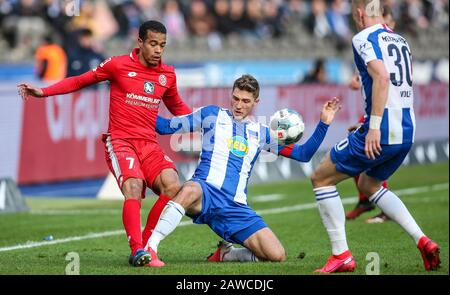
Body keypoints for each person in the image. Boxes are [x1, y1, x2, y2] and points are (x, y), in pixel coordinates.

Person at [17, 21, 192, 267]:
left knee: (172, 185)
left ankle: (148, 246)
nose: (158, 50)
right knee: (133, 185)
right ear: (140, 42)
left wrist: (206, 120)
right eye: (153, 44)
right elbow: (79, 81)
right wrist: (44, 92)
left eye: (162, 45)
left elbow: (179, 109)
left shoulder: (167, 75)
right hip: (121, 141)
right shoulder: (117, 65)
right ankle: (136, 249)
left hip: (149, 144)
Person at [143, 74, 341, 266]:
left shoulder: (261, 134)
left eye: (246, 101)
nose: (239, 105)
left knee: (276, 255)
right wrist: (139, 103)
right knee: (189, 189)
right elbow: (165, 127)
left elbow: (303, 154)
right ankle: (150, 248)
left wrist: (324, 123)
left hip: (235, 207)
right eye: (236, 98)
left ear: (256, 101)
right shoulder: (211, 115)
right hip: (205, 194)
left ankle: (227, 255)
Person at [310, 0, 440, 273]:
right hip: (406, 130)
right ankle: (423, 240)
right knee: (370, 185)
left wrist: (373, 127)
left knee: (321, 178)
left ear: (358, 14)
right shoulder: (400, 39)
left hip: (383, 130)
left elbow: (382, 78)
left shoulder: (363, 37)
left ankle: (341, 255)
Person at [345, 5, 397, 223]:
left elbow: (384, 75)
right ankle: (365, 197)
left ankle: (379, 204)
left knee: (367, 149)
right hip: (382, 108)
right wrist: (358, 76)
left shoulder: (382, 36)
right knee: (357, 145)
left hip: (387, 108)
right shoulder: (386, 40)